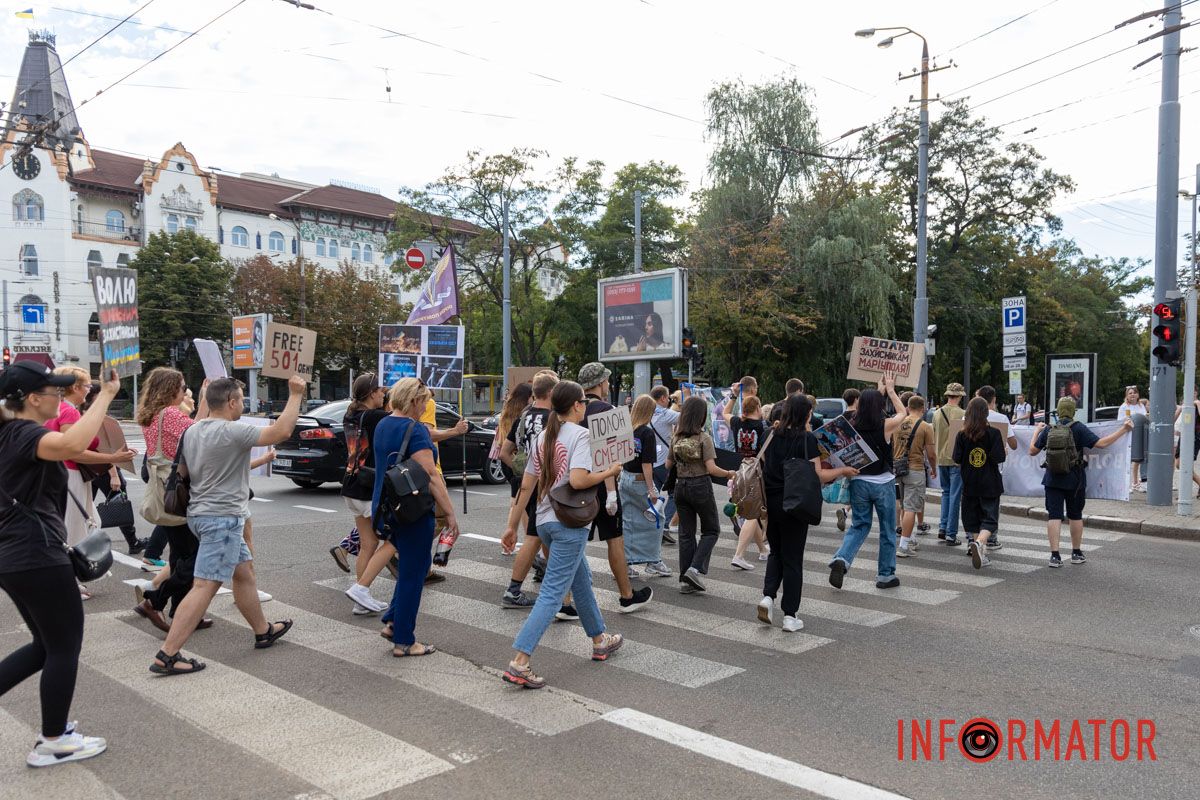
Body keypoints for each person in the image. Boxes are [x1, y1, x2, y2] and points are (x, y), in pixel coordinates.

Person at [0, 363, 120, 767]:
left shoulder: (8, 433)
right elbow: (71, 446)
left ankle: (56, 733)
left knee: (44, 647)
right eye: (56, 391)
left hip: (16, 557)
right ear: (34, 398)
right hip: (37, 556)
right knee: (64, 647)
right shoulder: (27, 434)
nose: (63, 397)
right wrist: (105, 395)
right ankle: (54, 740)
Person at [147, 376, 307, 676]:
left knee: (243, 572)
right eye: (242, 399)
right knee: (205, 586)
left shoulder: (194, 430)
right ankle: (167, 654)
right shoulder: (233, 431)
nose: (243, 404)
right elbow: (282, 431)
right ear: (231, 402)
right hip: (222, 520)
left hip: (200, 514)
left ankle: (263, 630)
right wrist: (296, 394)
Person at [501, 381, 625, 689]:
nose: (585, 405)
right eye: (583, 401)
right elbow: (579, 479)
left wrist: (512, 525)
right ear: (577, 405)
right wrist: (610, 472)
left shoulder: (544, 436)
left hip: (544, 519)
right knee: (552, 593)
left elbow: (527, 485)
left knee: (580, 579)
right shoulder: (581, 435)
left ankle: (599, 639)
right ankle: (520, 661)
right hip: (569, 521)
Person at [373, 378, 461, 656]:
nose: (426, 407)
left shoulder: (383, 424)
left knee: (412, 567)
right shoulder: (417, 430)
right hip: (412, 507)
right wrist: (450, 513)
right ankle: (405, 641)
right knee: (413, 574)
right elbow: (431, 476)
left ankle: (393, 621)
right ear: (413, 401)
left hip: (387, 504)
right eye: (424, 401)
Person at [758, 395, 856, 631]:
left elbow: (761, 466)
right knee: (793, 560)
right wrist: (843, 470)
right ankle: (790, 616)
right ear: (806, 414)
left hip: (770, 502)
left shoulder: (769, 434)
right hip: (795, 504)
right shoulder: (807, 439)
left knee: (776, 553)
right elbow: (819, 475)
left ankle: (767, 597)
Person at [133, 368, 211, 633]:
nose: (184, 389)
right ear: (170, 389)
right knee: (197, 556)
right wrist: (205, 402)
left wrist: (201, 399)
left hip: (162, 494)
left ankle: (183, 612)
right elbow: (200, 434)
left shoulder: (151, 415)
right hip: (179, 493)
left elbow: (192, 429)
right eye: (182, 386)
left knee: (180, 554)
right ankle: (155, 600)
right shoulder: (173, 415)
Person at [578, 363, 652, 611]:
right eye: (607, 381)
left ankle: (565, 600)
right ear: (600, 383)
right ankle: (626, 595)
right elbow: (609, 454)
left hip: (578, 482)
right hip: (603, 484)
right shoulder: (607, 410)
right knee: (614, 539)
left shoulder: (574, 409)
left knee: (575, 542)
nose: (608, 386)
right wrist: (611, 492)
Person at [1029, 396, 1132, 568]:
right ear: (1073, 411)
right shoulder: (1078, 428)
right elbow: (1101, 444)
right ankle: (1076, 553)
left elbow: (1032, 451)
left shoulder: (1049, 429)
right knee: (1075, 515)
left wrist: (1036, 432)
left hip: (1052, 478)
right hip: (1075, 479)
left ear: (1059, 410)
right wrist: (1123, 429)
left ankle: (1054, 556)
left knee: (1054, 516)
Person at [829, 376, 906, 590]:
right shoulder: (885, 425)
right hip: (883, 482)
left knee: (860, 525)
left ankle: (842, 558)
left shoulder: (850, 426)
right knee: (887, 530)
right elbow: (903, 413)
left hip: (858, 481)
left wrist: (877, 391)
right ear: (880, 406)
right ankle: (885, 575)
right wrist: (890, 391)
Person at [500, 371, 563, 610]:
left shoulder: (523, 416)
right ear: (551, 393)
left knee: (540, 536)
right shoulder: (553, 419)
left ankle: (549, 588)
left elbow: (505, 452)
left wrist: (523, 468)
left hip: (526, 484)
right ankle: (516, 590)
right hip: (547, 487)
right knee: (538, 537)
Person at [668, 396, 737, 593]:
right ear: (701, 415)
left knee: (686, 534)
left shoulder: (676, 437)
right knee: (711, 530)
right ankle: (694, 569)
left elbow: (667, 464)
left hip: (681, 487)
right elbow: (712, 469)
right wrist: (729, 473)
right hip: (700, 486)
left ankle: (685, 580)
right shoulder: (703, 438)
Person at [337, 373, 390, 615]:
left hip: (351, 484)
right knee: (394, 540)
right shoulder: (375, 416)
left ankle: (362, 599)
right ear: (371, 393)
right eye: (381, 391)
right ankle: (361, 589)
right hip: (368, 486)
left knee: (368, 543)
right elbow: (402, 421)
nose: (384, 394)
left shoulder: (351, 413)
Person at [79, 382, 147, 556]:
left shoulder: (83, 414)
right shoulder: (96, 416)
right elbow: (104, 447)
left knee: (85, 507)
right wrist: (114, 474)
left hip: (88, 469)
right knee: (120, 502)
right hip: (104, 468)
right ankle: (133, 542)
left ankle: (81, 540)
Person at [953, 398, 1007, 569]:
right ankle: (979, 543)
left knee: (974, 520)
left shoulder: (962, 434)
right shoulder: (994, 433)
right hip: (990, 483)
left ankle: (980, 553)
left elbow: (956, 459)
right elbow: (999, 457)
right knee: (990, 520)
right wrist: (1003, 450)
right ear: (985, 413)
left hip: (970, 482)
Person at [621, 395, 669, 576]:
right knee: (657, 519)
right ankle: (653, 560)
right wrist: (651, 489)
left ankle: (626, 563)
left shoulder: (627, 430)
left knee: (629, 521)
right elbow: (647, 464)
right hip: (641, 481)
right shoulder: (647, 433)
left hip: (625, 477)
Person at [724, 394, 769, 570]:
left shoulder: (736, 423)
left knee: (751, 512)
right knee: (753, 514)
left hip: (739, 471)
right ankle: (739, 555)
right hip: (756, 474)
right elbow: (764, 455)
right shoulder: (763, 427)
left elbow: (725, 412)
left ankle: (763, 550)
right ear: (758, 408)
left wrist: (733, 396)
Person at [894, 394, 937, 559]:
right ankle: (903, 546)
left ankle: (910, 539)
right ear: (923, 408)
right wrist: (933, 469)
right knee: (912, 508)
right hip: (916, 469)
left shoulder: (897, 422)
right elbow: (931, 454)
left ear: (908, 407)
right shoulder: (926, 426)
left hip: (899, 469)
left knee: (906, 505)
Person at [493, 382, 533, 554]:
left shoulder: (506, 412)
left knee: (515, 499)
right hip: (519, 459)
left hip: (507, 459)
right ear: (527, 398)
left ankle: (510, 537)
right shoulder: (524, 415)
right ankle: (526, 538)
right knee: (522, 502)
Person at [976, 385, 1017, 551]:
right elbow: (1013, 445)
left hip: (972, 468)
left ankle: (974, 538)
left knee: (974, 504)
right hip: (993, 469)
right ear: (994, 400)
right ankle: (991, 538)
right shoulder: (1001, 418)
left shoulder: (967, 417)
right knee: (992, 505)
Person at [932, 383, 967, 546]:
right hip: (955, 460)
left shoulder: (936, 413)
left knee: (946, 493)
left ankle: (942, 528)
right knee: (954, 496)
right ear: (960, 396)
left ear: (947, 396)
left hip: (941, 458)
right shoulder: (962, 414)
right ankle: (951, 534)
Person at [649, 385, 679, 544]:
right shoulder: (665, 414)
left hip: (650, 462)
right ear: (662, 398)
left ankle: (653, 527)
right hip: (664, 462)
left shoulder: (645, 413)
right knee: (676, 493)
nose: (669, 400)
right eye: (668, 397)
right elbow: (687, 418)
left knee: (654, 495)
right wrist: (683, 401)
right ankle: (665, 526)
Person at [835, 387, 861, 532]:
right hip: (860, 456)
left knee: (851, 485)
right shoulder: (860, 417)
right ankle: (854, 517)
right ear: (856, 399)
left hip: (846, 457)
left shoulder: (841, 419)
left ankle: (845, 511)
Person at [1119, 386, 1149, 492]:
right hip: (1129, 436)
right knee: (1128, 460)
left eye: (1134, 393)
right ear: (1127, 395)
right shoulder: (1123, 407)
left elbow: (1145, 419)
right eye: (1130, 393)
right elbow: (1120, 422)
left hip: (1141, 437)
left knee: (1144, 458)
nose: (1132, 395)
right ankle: (1126, 485)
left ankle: (1144, 483)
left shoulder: (1141, 406)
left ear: (1138, 395)